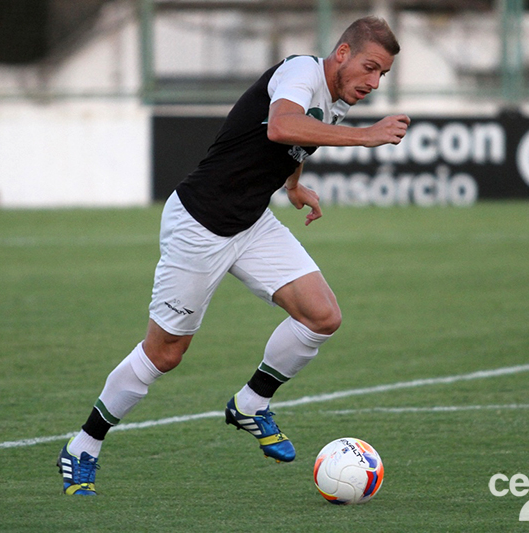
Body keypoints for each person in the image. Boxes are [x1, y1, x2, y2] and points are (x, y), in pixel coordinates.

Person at [57, 15, 410, 496]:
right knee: (165, 353)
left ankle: (250, 403)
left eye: (382, 75)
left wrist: (293, 185)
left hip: (251, 222)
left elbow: (300, 137)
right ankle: (83, 444)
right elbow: (283, 126)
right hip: (200, 224)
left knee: (322, 316)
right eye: (369, 67)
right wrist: (368, 136)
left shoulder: (337, 97)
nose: (373, 82)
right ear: (343, 54)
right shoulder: (301, 72)